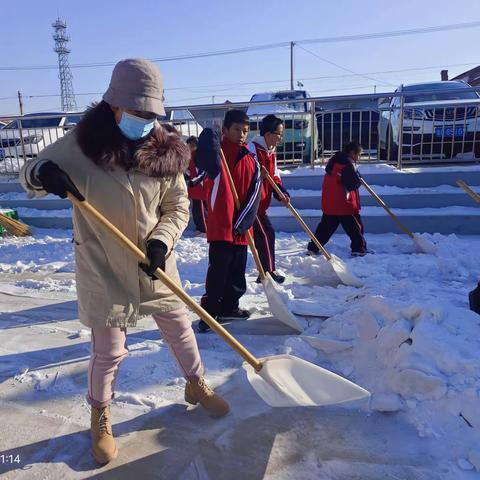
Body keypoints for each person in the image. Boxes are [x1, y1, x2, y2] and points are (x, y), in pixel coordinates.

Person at [20, 59, 229, 465]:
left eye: (152, 114)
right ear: (115, 105)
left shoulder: (166, 150)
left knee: (180, 330)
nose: (146, 120)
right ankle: (100, 413)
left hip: (153, 260)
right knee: (110, 351)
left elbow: (178, 207)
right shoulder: (81, 144)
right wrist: (44, 173)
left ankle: (195, 384)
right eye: (139, 112)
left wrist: (162, 242)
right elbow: (28, 172)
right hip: (103, 263)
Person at [196, 111, 262, 333]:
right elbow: (202, 160)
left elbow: (255, 195)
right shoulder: (217, 154)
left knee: (236, 273)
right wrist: (211, 137)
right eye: (236, 130)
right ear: (225, 130)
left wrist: (243, 223)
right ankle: (210, 312)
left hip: (241, 227)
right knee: (218, 271)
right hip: (221, 225)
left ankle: (230, 307)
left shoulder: (251, 160)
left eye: (245, 131)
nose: (241, 135)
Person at [307, 141, 370, 257]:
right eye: (358, 154)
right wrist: (358, 180)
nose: (358, 157)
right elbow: (351, 184)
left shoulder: (335, 162)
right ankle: (359, 249)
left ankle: (313, 247)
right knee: (356, 229)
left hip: (331, 202)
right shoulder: (347, 165)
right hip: (344, 204)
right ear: (352, 153)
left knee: (325, 229)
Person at [248, 114, 290, 284]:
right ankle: (267, 272)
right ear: (268, 134)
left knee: (267, 235)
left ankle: (266, 271)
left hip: (262, 204)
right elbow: (248, 177)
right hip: (251, 204)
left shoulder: (270, 151)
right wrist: (260, 173)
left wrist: (282, 193)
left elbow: (275, 176)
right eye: (278, 134)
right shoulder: (252, 149)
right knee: (266, 234)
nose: (280, 138)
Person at [185, 135, 208, 234]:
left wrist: (192, 178)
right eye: (189, 145)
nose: (190, 147)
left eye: (193, 145)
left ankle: (203, 229)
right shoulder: (189, 157)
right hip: (195, 189)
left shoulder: (198, 156)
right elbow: (189, 171)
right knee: (197, 210)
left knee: (201, 210)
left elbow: (200, 172)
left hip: (200, 188)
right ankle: (201, 228)